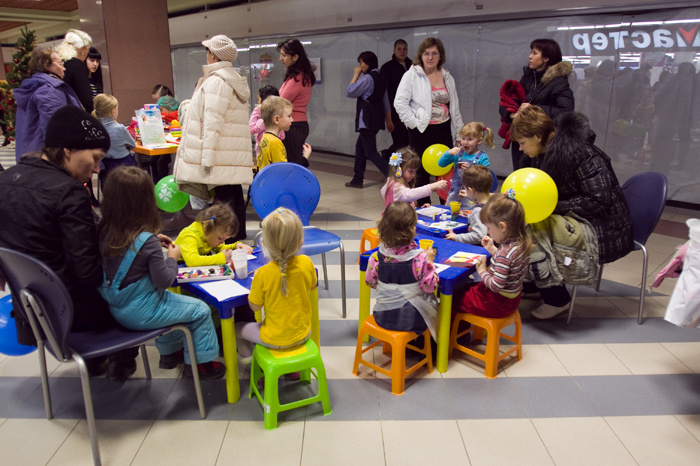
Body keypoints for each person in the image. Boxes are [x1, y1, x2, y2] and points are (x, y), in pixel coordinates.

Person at [0, 106, 138, 381]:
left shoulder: (6, 180)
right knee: (133, 281)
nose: (98, 169)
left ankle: (96, 361)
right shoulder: (68, 192)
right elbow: (87, 272)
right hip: (72, 312)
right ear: (67, 151)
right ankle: (122, 357)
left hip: (30, 309)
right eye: (95, 159)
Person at [98, 166, 225, 380]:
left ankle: (170, 354)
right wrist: (172, 258)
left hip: (115, 308)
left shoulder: (105, 230)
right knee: (200, 311)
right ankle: (202, 365)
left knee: (173, 304)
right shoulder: (146, 240)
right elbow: (165, 280)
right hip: (141, 311)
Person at [510, 106, 633, 319]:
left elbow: (599, 199)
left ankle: (557, 300)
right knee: (516, 224)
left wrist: (552, 207)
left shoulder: (580, 153)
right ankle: (533, 285)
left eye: (522, 143)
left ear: (538, 137)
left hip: (604, 224)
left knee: (533, 234)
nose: (520, 149)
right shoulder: (540, 154)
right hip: (578, 215)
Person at [173, 34, 252, 242]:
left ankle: (226, 239)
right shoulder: (231, 79)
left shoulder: (217, 81)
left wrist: (207, 155)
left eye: (208, 51)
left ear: (214, 56)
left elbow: (212, 122)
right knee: (232, 192)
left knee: (224, 198)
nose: (206, 55)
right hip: (229, 150)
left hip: (219, 151)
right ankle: (236, 236)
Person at [235, 208, 317, 363]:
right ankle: (293, 369)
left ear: (264, 243)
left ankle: (250, 359)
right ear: (300, 241)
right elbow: (312, 287)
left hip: (274, 339)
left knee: (237, 328)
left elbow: (255, 307)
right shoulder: (307, 263)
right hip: (304, 334)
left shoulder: (263, 273)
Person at [394, 37, 463, 206]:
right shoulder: (411, 75)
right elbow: (399, 103)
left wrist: (460, 133)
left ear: (440, 56)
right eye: (426, 53)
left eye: (434, 53)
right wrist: (413, 123)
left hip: (444, 128)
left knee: (446, 170)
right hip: (421, 130)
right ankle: (423, 207)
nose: (430, 57)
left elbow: (454, 107)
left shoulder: (447, 76)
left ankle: (445, 207)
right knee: (421, 171)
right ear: (421, 56)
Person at [365, 201, 439, 337]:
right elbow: (430, 286)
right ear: (412, 229)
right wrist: (430, 262)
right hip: (413, 320)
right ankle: (425, 348)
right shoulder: (420, 258)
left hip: (381, 317)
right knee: (438, 306)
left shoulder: (376, 257)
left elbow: (371, 282)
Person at [453, 192, 531, 318]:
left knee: (455, 297)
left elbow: (496, 286)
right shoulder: (520, 244)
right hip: (512, 301)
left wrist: (482, 271)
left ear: (502, 227)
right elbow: (509, 265)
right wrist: (493, 249)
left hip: (495, 302)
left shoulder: (505, 254)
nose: (488, 233)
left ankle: (458, 336)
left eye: (489, 228)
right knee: (466, 287)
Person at [500, 38, 574, 170]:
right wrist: (511, 114)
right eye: (531, 52)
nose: (530, 56)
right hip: (521, 138)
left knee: (536, 178)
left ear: (546, 58)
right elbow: (509, 99)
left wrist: (534, 110)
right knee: (520, 174)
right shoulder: (528, 77)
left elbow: (565, 111)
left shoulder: (558, 81)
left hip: (541, 142)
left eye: (534, 53)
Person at [13, 44, 81, 162]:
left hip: (31, 155)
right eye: (60, 64)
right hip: (47, 161)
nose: (64, 68)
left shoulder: (34, 86)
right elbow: (55, 131)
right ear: (45, 64)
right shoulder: (49, 90)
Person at [344, 51, 392, 189]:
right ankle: (357, 179)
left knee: (370, 152)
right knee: (360, 149)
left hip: (366, 119)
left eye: (361, 63)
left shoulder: (367, 78)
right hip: (377, 119)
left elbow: (350, 92)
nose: (360, 66)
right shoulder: (381, 77)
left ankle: (393, 175)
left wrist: (355, 75)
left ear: (368, 63)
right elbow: (385, 100)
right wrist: (388, 119)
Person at [175, 203, 253, 267]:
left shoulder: (210, 235)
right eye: (220, 238)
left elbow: (220, 248)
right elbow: (192, 261)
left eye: (224, 240)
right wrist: (221, 258)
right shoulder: (189, 236)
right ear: (206, 227)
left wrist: (235, 246)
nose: (222, 242)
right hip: (179, 273)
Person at [277, 38, 315, 167]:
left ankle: (297, 187)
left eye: (284, 55)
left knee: (294, 163)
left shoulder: (298, 78)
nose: (280, 58)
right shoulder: (298, 75)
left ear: (295, 57)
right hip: (297, 124)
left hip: (294, 125)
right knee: (293, 162)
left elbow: (281, 101)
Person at [437, 122, 494, 208]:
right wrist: (449, 153)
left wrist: (472, 170)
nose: (465, 142)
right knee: (451, 214)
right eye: (463, 138)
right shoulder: (458, 153)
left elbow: (485, 177)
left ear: (479, 141)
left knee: (470, 216)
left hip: (472, 196)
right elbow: (441, 164)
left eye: (470, 139)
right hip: (454, 194)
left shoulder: (482, 157)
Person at [92, 93, 136, 188]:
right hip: (124, 163)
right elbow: (133, 145)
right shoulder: (119, 128)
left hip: (105, 164)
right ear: (113, 112)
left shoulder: (95, 129)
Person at [381, 147, 446, 209]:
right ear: (399, 169)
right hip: (395, 220)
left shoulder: (398, 182)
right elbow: (409, 194)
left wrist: (418, 209)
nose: (413, 175)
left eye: (415, 171)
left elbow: (406, 203)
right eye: (410, 171)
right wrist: (432, 186)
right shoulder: (396, 187)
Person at [380, 39, 412, 159]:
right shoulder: (387, 68)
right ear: (394, 50)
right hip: (394, 110)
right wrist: (387, 116)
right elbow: (384, 92)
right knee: (400, 140)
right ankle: (390, 158)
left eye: (404, 48)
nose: (402, 51)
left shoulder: (413, 66)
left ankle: (389, 155)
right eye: (399, 49)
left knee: (408, 139)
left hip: (411, 109)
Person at [445, 164, 492, 245]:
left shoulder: (478, 211)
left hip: (479, 249)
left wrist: (456, 237)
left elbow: (479, 236)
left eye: (466, 189)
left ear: (471, 190)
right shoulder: (494, 202)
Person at [57, 29, 94, 113]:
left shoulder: (60, 63)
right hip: (74, 114)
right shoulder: (77, 65)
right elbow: (86, 99)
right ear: (82, 49)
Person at [249, 85, 285, 157]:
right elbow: (282, 136)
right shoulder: (278, 119)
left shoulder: (263, 122)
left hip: (263, 157)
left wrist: (257, 110)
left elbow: (251, 129)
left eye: (259, 100)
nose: (258, 103)